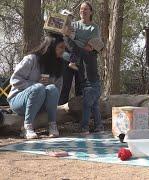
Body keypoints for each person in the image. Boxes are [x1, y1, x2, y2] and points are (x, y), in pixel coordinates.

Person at [7, 34, 65, 139]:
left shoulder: (59, 66)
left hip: (41, 104)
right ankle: (27, 127)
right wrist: (35, 85)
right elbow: (14, 80)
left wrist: (46, 88)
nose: (63, 51)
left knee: (52, 89)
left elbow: (57, 91)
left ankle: (52, 125)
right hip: (18, 100)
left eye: (64, 48)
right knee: (38, 88)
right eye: (61, 47)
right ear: (51, 47)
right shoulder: (31, 59)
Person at [63, 1, 104, 134]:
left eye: (86, 9)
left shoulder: (94, 28)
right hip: (75, 62)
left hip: (88, 63)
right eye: (81, 9)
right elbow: (68, 39)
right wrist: (71, 36)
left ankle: (85, 126)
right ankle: (97, 126)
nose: (83, 11)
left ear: (91, 12)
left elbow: (90, 47)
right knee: (90, 100)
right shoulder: (74, 24)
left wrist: (75, 37)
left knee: (88, 99)